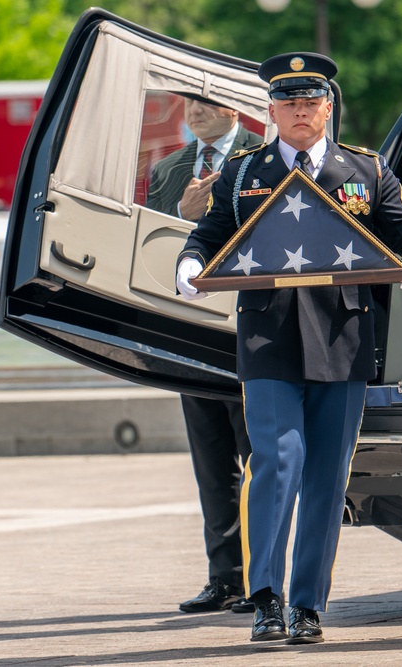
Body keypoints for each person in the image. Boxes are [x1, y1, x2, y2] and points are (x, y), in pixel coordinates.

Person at [174, 52, 402, 645]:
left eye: (309, 100)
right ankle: (265, 596)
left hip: (342, 339)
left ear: (328, 107)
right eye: (287, 101)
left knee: (325, 474)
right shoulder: (245, 173)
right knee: (275, 461)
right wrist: (190, 262)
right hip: (267, 337)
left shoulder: (365, 171)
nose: (299, 110)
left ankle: (308, 603)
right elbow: (209, 233)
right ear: (270, 110)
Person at [146, 96, 262, 615]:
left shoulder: (264, 155)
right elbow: (150, 242)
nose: (194, 110)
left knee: (259, 457)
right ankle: (225, 578)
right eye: (189, 100)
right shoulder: (169, 168)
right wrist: (181, 212)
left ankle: (264, 577)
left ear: (235, 109)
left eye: (208, 101)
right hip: (191, 330)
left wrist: (214, 208)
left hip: (250, 329)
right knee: (212, 462)